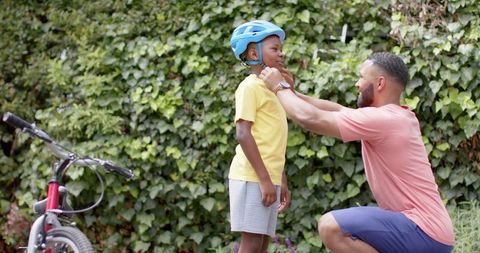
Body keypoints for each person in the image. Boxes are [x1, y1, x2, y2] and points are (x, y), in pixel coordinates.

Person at [258, 52, 454, 253]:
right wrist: (291, 92)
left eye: (361, 77)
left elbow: (310, 118)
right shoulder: (393, 116)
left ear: (380, 83)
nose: (357, 84)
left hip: (422, 230)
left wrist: (278, 86)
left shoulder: (384, 120)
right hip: (428, 232)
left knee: (330, 226)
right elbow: (337, 110)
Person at [227, 20, 294, 253]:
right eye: (274, 49)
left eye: (281, 48)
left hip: (268, 176)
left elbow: (272, 140)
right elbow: (243, 133)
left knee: (262, 243)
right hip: (252, 176)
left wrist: (279, 178)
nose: (281, 53)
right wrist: (265, 180)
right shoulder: (250, 87)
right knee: (252, 243)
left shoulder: (272, 88)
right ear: (254, 52)